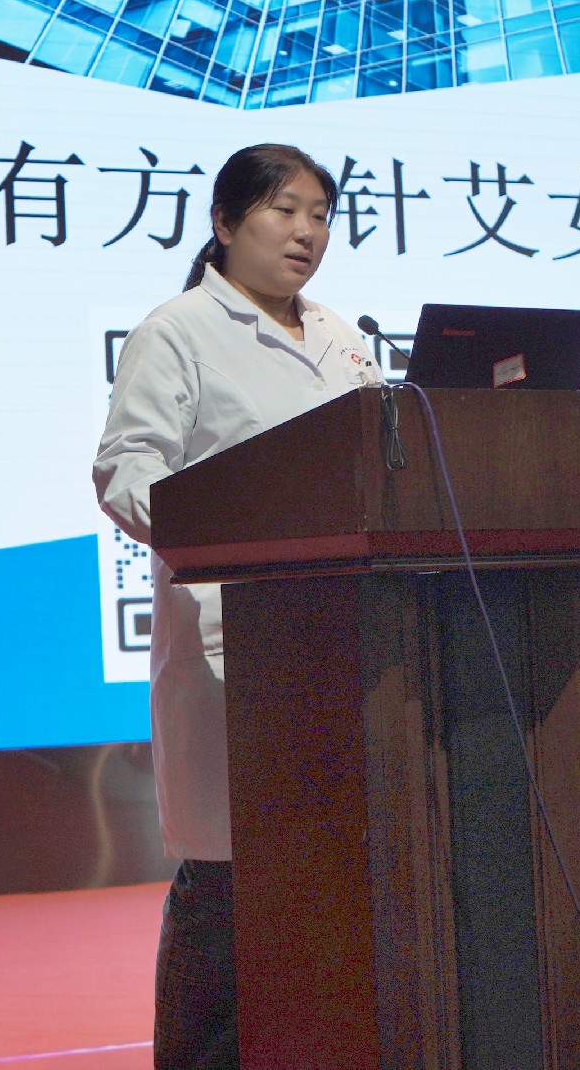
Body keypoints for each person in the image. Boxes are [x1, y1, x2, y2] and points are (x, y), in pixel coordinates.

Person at [93, 143, 381, 1068]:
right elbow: (127, 469)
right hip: (236, 646)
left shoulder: (341, 336)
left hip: (349, 640)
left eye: (320, 215)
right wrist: (232, 539)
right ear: (224, 222)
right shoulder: (177, 329)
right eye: (283, 210)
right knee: (228, 892)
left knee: (331, 887)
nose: (306, 232)